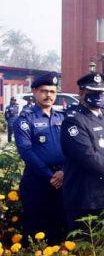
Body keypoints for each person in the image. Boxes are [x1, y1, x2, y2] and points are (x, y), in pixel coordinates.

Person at [60, 73, 104, 232]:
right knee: (87, 249)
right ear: (81, 93)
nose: (99, 96)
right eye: (93, 92)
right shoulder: (74, 120)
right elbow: (87, 155)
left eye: (101, 92)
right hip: (87, 198)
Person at [13, 72, 66, 244]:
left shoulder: (62, 118)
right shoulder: (25, 119)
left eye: (52, 91)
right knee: (35, 231)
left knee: (58, 228)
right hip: (37, 182)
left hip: (62, 180)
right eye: (44, 91)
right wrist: (49, 176)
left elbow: (71, 149)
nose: (48, 95)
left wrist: (63, 172)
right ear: (34, 92)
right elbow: (26, 151)